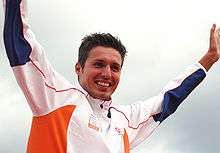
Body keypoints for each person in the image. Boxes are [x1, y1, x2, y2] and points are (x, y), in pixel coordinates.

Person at [2, 0, 220, 153]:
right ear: (79, 68)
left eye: (115, 67)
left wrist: (209, 59)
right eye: (98, 64)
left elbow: (170, 98)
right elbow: (20, 42)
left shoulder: (126, 121)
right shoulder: (53, 96)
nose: (107, 74)